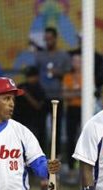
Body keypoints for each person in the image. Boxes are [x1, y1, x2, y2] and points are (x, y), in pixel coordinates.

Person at [35, 27, 71, 155]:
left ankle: (57, 155)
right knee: (41, 127)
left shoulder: (64, 56)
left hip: (58, 96)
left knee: (57, 127)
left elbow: (69, 73)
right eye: (46, 39)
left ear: (55, 39)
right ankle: (39, 155)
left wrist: (59, 73)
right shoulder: (40, 56)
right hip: (42, 96)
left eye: (50, 38)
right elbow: (35, 74)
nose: (48, 41)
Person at [13, 66, 47, 149]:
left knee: (33, 145)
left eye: (31, 76)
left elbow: (38, 106)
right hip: (20, 120)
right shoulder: (21, 86)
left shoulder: (40, 89)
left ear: (36, 77)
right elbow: (13, 100)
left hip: (34, 122)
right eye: (28, 76)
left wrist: (26, 94)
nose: (29, 78)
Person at [63, 52, 82, 169]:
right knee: (71, 137)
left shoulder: (87, 75)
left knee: (84, 136)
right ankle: (71, 165)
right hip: (71, 109)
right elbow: (65, 94)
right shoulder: (67, 77)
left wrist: (73, 93)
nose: (76, 63)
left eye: (78, 61)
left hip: (84, 109)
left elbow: (88, 93)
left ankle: (83, 163)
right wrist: (79, 92)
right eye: (74, 61)